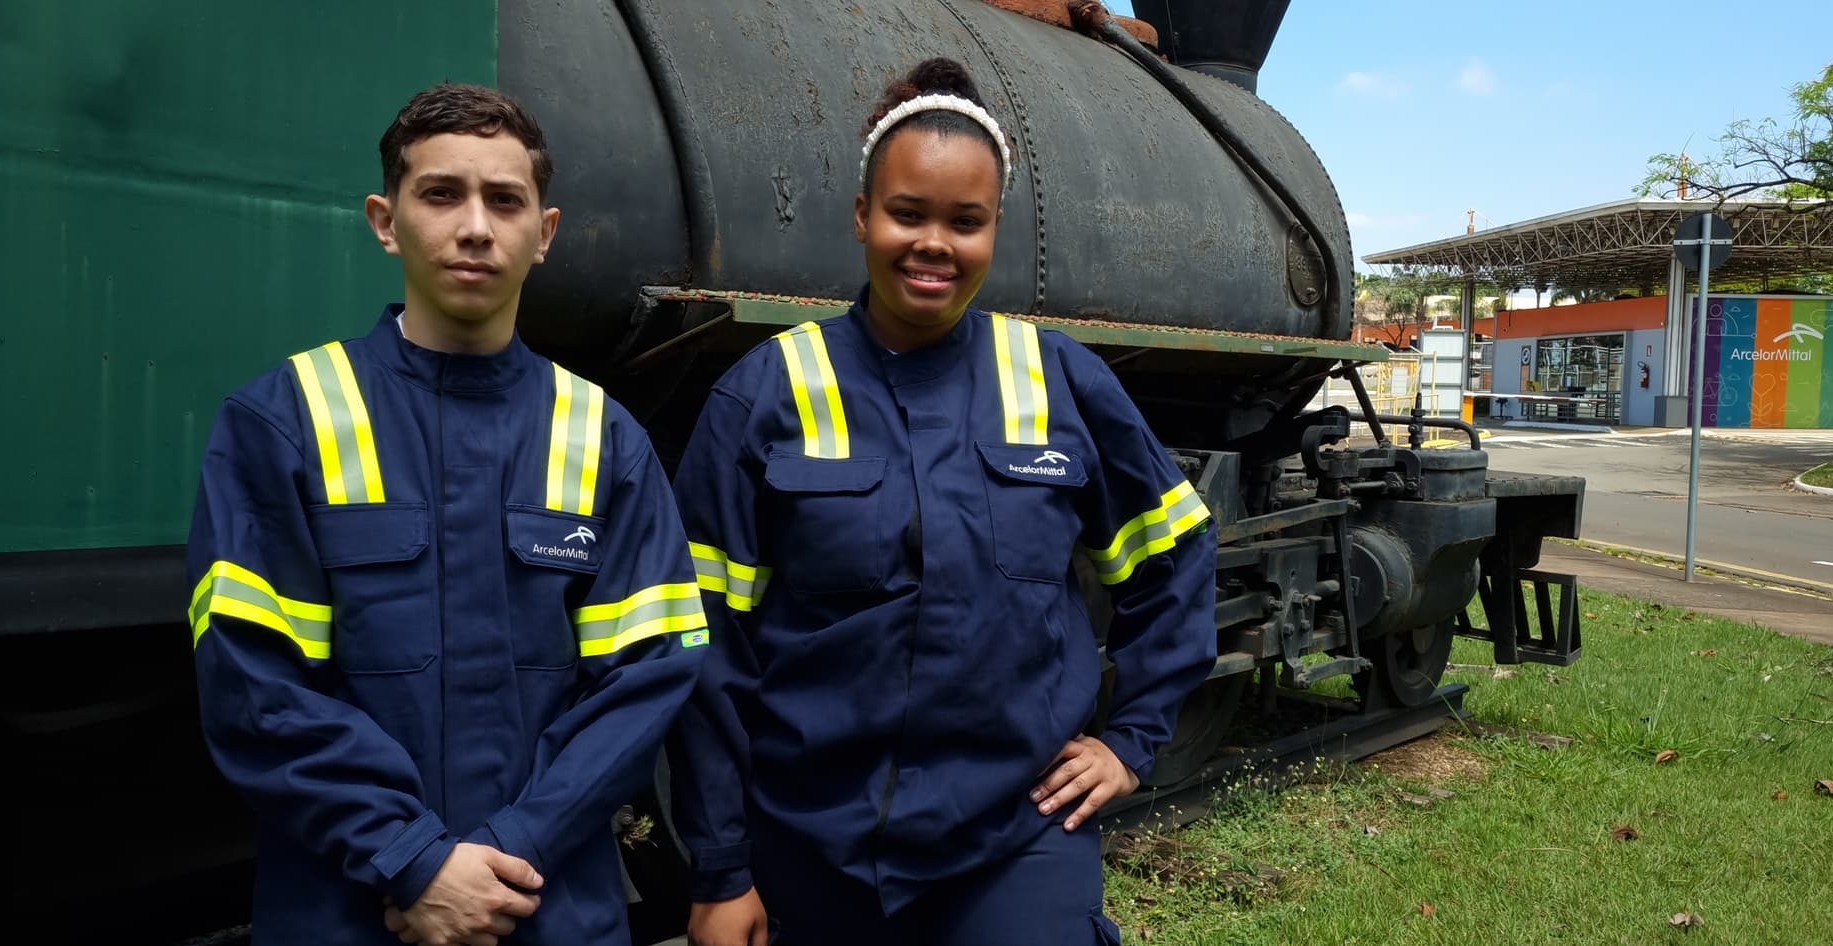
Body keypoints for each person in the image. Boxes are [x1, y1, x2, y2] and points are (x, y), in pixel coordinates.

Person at [666, 59, 1219, 946]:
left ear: (994, 229)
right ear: (861, 216)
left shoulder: (1057, 381)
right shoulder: (764, 394)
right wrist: (722, 870)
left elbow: (1177, 550)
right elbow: (705, 648)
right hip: (812, 843)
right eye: (907, 213)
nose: (934, 243)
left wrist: (1130, 741)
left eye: (965, 222)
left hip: (1013, 841)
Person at [185, 83, 708, 946]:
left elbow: (648, 677)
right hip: (351, 911)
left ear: (543, 234)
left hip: (542, 909)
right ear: (385, 221)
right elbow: (251, 680)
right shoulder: (285, 421)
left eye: (505, 200)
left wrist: (508, 849)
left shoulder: (605, 439)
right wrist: (412, 859)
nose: (475, 227)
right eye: (441, 194)